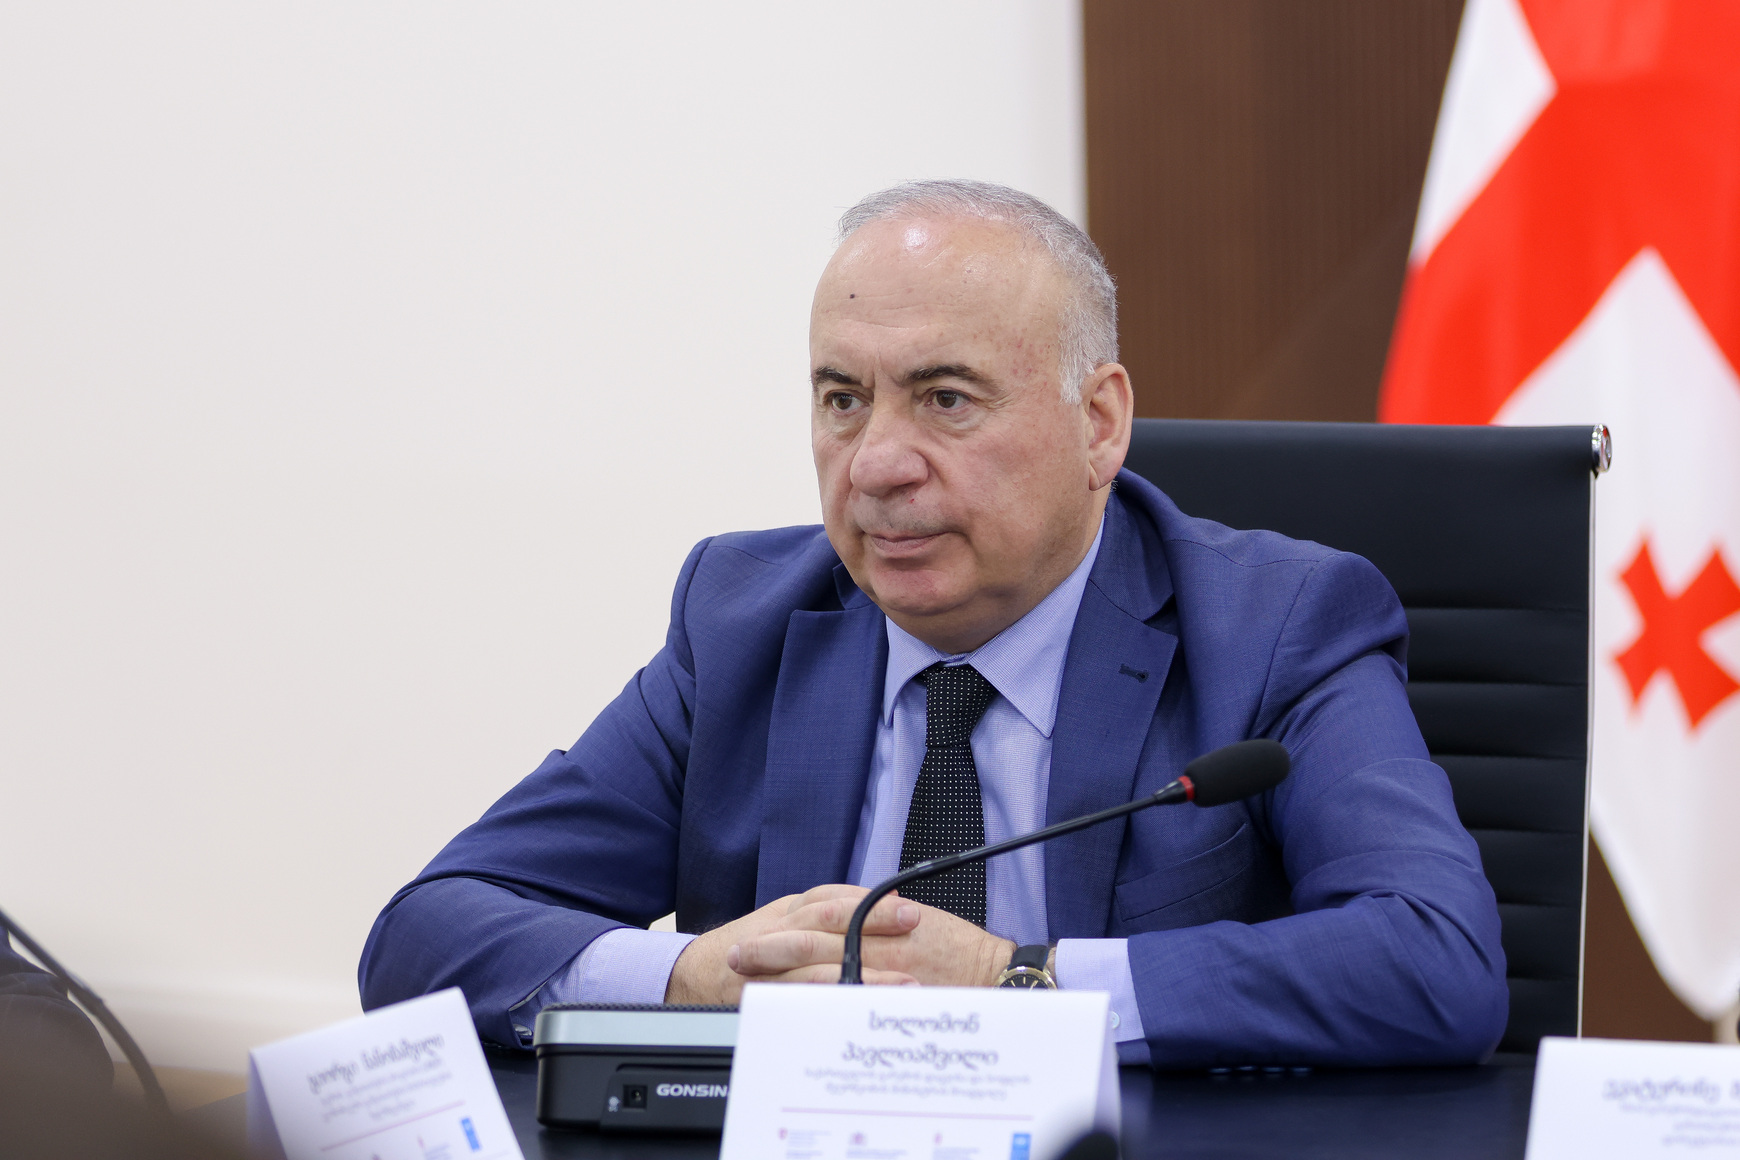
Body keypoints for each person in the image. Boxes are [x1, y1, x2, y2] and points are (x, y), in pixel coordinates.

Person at [358, 180, 1508, 1068]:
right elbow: (425, 935)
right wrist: (689, 979)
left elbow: (1433, 957)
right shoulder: (745, 619)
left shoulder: (1277, 625)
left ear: (1099, 424)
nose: (876, 465)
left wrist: (1019, 982)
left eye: (945, 398)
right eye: (842, 399)